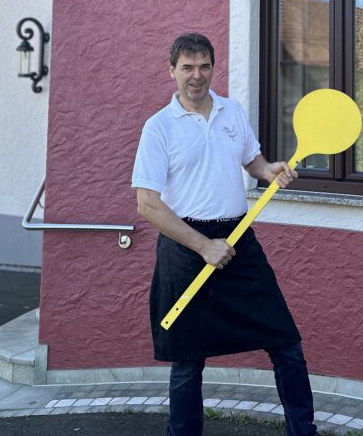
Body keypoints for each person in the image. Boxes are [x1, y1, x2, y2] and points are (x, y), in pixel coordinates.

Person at [132, 32, 319, 436]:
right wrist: (203, 246)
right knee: (187, 359)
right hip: (186, 247)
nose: (196, 76)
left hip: (237, 242)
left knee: (286, 342)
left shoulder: (231, 111)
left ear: (213, 68)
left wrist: (268, 169)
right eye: (187, 68)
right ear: (172, 72)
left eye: (204, 67)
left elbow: (251, 160)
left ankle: (304, 431)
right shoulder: (158, 128)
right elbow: (147, 204)